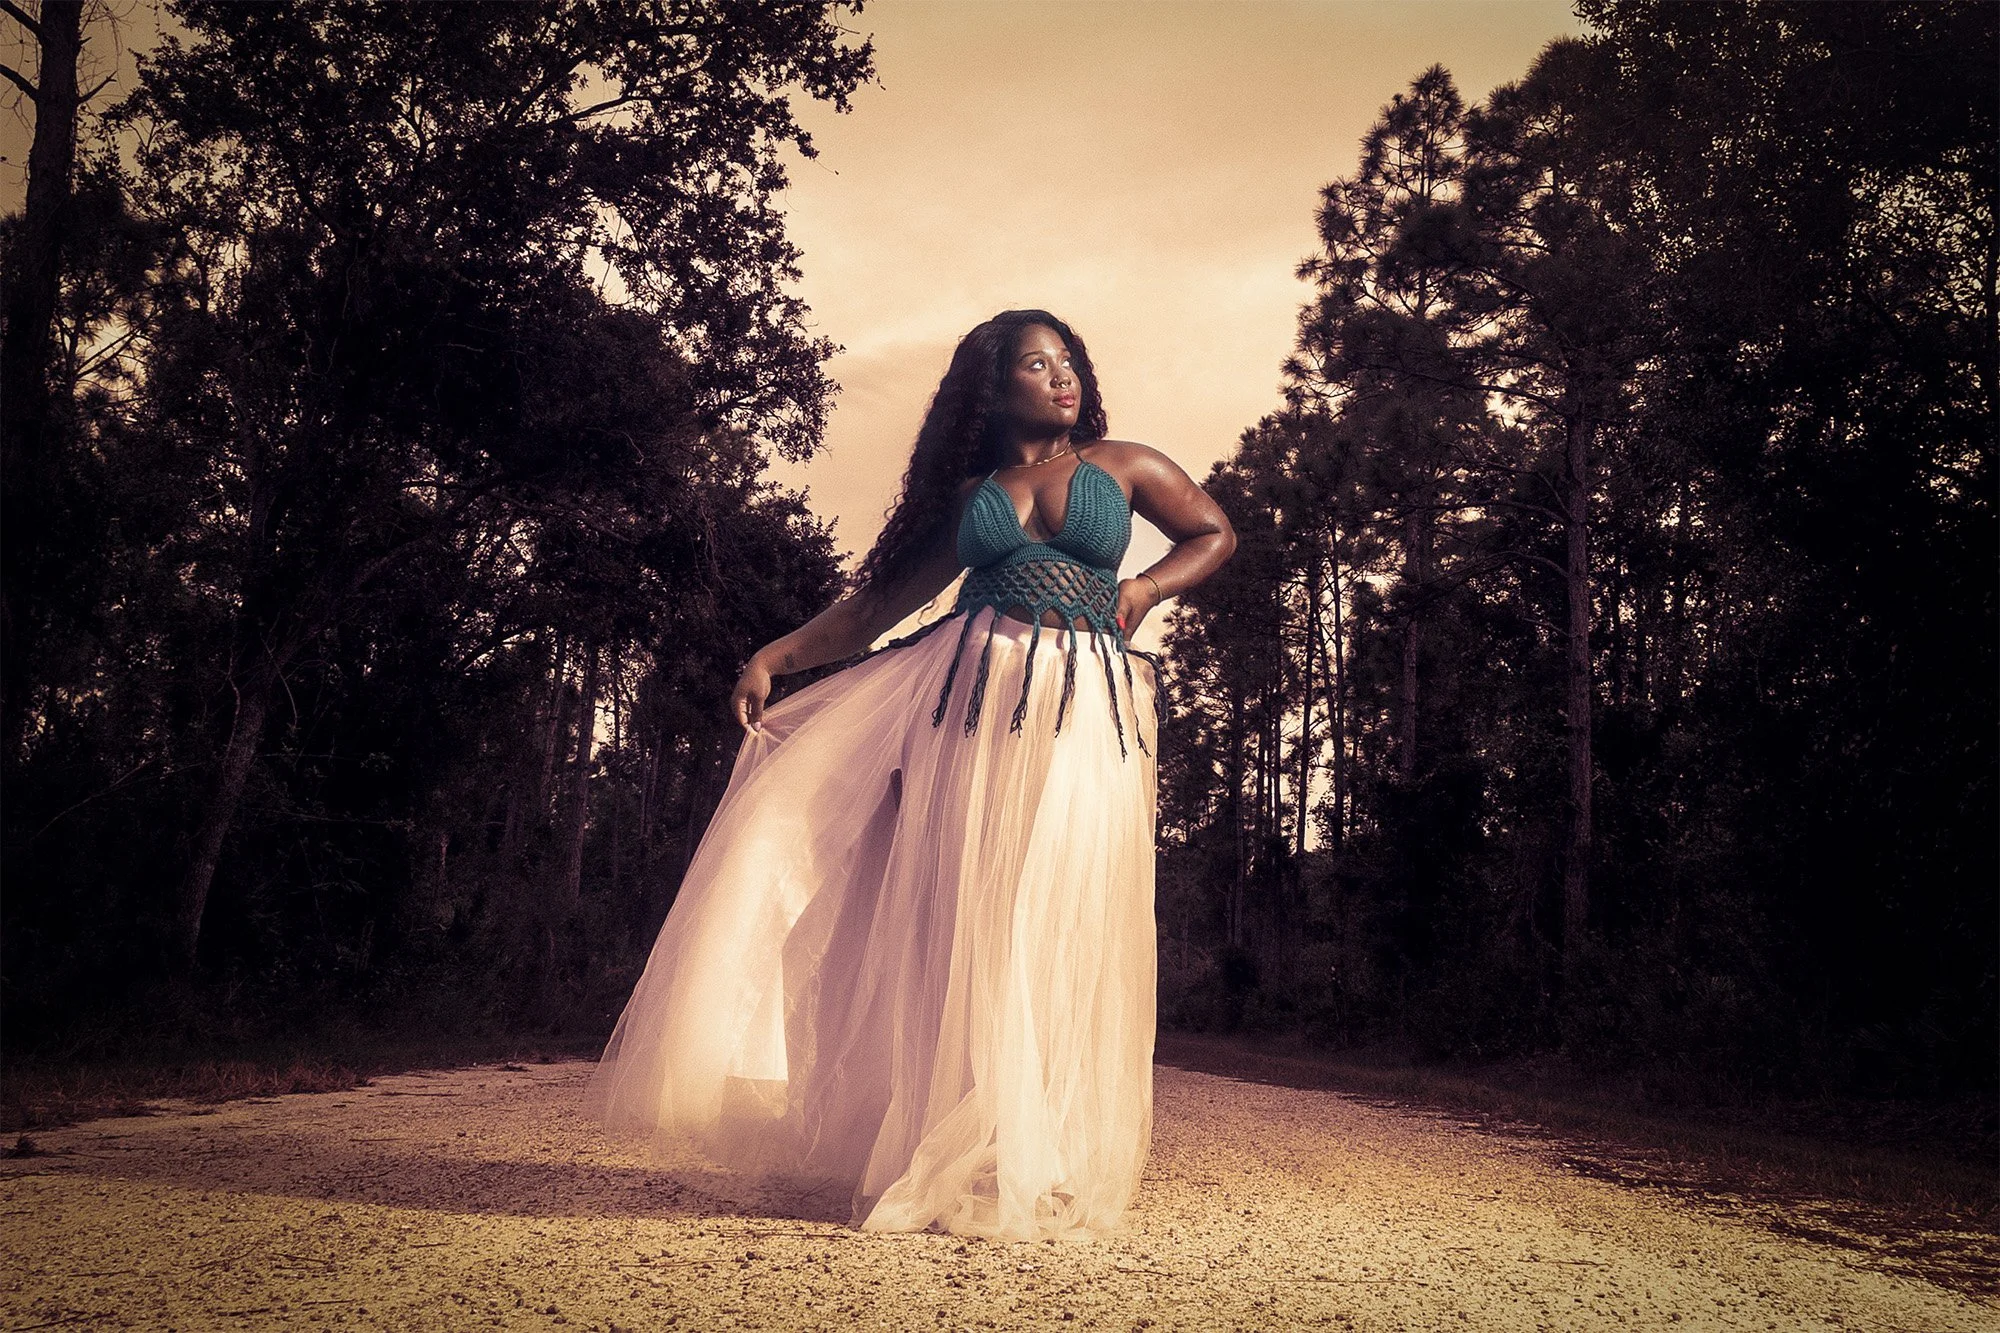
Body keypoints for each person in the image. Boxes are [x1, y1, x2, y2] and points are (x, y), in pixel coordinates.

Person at [585, 309, 1237, 1241]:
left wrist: (1143, 589)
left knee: (1059, 908)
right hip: (968, 704)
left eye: (1068, 361)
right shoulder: (973, 494)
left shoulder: (1124, 464)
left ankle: (1037, 1150)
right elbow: (879, 604)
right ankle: (961, 1142)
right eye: (1035, 363)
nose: (1061, 377)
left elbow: (1213, 532)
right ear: (992, 385)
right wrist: (775, 654)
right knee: (970, 911)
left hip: (1081, 706)